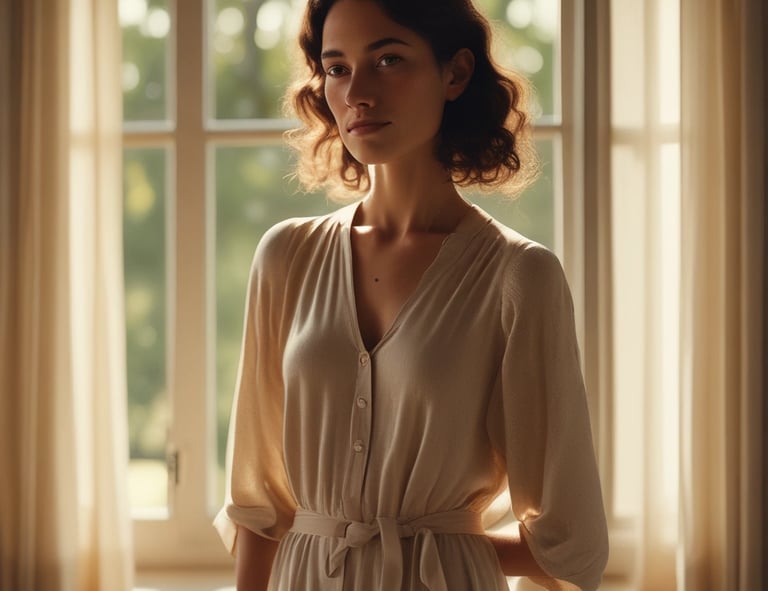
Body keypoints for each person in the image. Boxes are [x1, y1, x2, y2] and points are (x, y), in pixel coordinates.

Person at [214, 0, 609, 589]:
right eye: (338, 68)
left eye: (389, 59)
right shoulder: (286, 257)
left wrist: (439, 542)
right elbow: (258, 502)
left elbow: (570, 540)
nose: (357, 93)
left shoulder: (518, 275)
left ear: (455, 74)